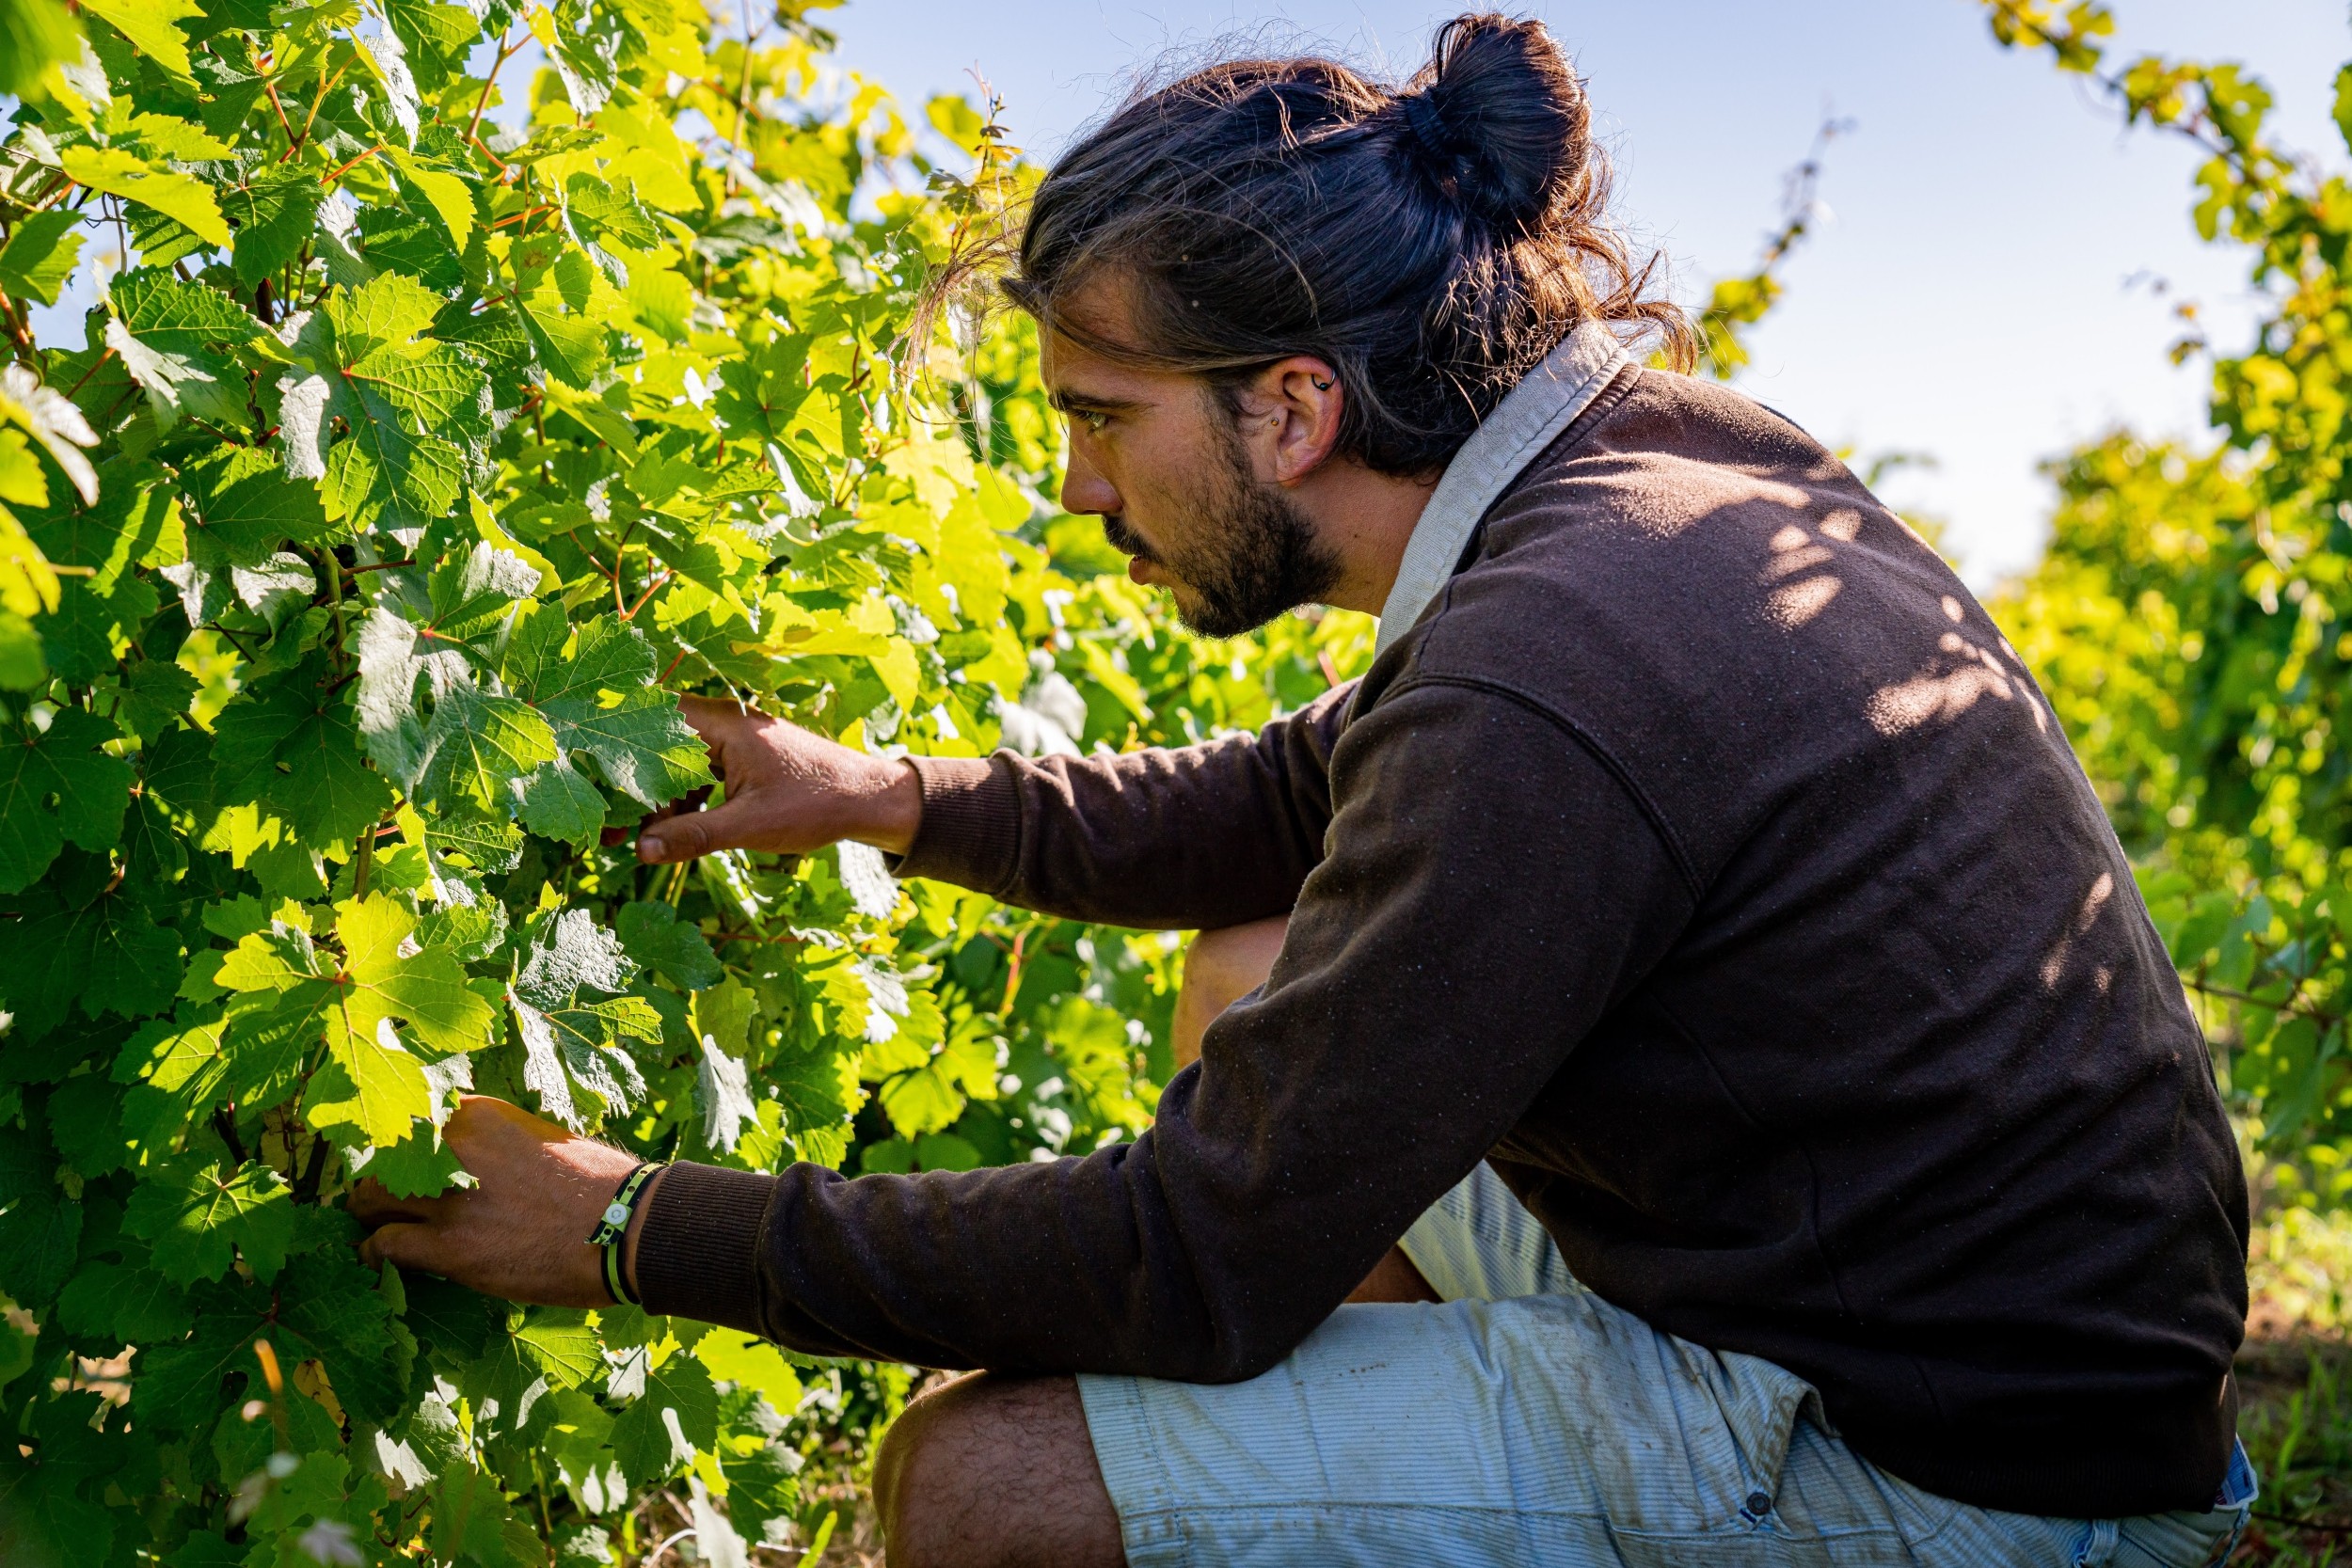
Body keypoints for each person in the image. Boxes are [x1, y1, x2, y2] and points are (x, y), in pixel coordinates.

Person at [351, 14, 2258, 1566]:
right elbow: (1295, 799)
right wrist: (886, 795)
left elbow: (1194, 1254)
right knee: (1248, 976)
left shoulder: (1552, 659)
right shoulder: (1651, 470)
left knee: (979, 1492)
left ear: (1288, 404)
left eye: (1101, 420)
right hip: (1949, 1320)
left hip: (1962, 1478)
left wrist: (629, 1227)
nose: (1077, 493)